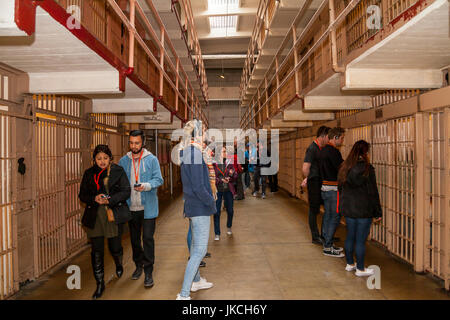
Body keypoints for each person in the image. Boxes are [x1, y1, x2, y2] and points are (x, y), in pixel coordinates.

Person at [79, 144, 131, 299]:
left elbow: (126, 191)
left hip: (111, 214)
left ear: (110, 158)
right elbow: (82, 195)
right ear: (94, 159)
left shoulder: (117, 171)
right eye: (99, 158)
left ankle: (118, 262)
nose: (102, 161)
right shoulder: (89, 174)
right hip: (95, 215)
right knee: (97, 251)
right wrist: (94, 198)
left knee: (115, 246)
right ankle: (100, 283)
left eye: (105, 158)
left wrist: (110, 199)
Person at [118, 130, 163, 288]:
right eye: (131, 143)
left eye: (136, 143)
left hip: (148, 207)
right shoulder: (124, 161)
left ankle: (148, 272)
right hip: (132, 208)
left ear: (142, 143)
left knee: (148, 239)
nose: (134, 146)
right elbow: (119, 182)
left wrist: (146, 186)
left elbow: (159, 179)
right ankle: (138, 265)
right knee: (135, 240)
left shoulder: (152, 160)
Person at [177, 120, 215, 300]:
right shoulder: (195, 154)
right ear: (197, 134)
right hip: (199, 207)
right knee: (199, 251)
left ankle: (196, 280)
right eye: (204, 131)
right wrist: (211, 202)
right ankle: (184, 294)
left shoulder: (189, 152)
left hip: (193, 205)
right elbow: (199, 187)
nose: (206, 134)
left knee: (195, 248)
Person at [338, 140, 382, 276]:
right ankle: (361, 268)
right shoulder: (367, 169)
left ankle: (350, 263)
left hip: (349, 208)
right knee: (361, 240)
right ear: (365, 152)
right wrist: (377, 212)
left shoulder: (344, 167)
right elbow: (373, 192)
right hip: (364, 209)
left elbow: (340, 188)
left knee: (350, 236)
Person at [319, 127, 346, 257]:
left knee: (328, 216)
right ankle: (328, 247)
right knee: (334, 217)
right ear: (335, 137)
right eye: (341, 138)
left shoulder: (322, 150)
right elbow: (342, 169)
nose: (342, 141)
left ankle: (326, 241)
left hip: (324, 188)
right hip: (333, 189)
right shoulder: (334, 152)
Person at [301, 126, 330, 245]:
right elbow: (305, 168)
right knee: (313, 209)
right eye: (328, 137)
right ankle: (315, 236)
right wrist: (309, 178)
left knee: (318, 208)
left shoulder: (320, 148)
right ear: (322, 136)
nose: (329, 140)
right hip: (314, 183)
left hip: (319, 182)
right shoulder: (312, 148)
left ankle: (323, 234)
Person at [213, 146, 238, 240]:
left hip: (228, 190)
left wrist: (230, 176)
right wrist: (220, 180)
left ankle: (229, 226)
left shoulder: (229, 163)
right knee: (216, 212)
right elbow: (211, 178)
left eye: (225, 151)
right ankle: (217, 233)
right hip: (218, 190)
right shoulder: (214, 164)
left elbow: (235, 175)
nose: (225, 153)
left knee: (230, 210)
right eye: (224, 151)